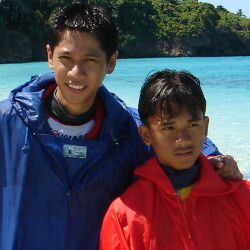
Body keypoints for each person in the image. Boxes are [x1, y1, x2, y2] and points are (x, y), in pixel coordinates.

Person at [0, 2, 242, 250]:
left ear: (112, 61)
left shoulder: (127, 130)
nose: (76, 72)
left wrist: (220, 161)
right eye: (66, 58)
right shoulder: (8, 121)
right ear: (50, 56)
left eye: (90, 59)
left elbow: (183, 140)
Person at [99, 69, 250, 250]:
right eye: (169, 128)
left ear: (205, 126)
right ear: (146, 135)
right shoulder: (126, 214)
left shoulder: (242, 197)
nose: (183, 139)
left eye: (192, 124)